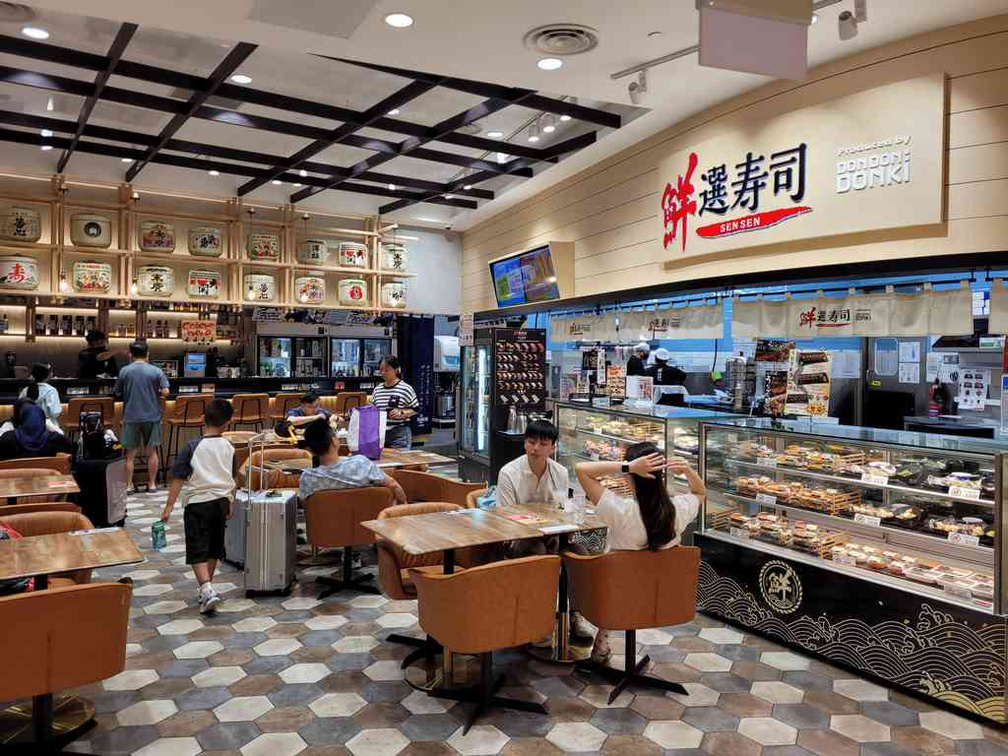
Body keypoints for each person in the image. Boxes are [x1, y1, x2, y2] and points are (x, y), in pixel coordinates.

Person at [575, 442, 704, 662]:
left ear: (629, 476)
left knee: (577, 556)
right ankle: (603, 640)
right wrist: (689, 471)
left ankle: (595, 632)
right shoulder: (678, 510)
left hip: (613, 595)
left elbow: (581, 469)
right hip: (660, 596)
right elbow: (700, 492)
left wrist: (626, 466)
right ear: (662, 476)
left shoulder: (620, 511)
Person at [159, 399, 235, 614]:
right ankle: (207, 588)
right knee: (214, 547)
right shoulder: (229, 447)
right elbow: (232, 478)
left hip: (198, 503)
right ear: (228, 423)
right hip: (221, 502)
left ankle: (206, 588)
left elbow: (178, 478)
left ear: (203, 419)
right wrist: (232, 502)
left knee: (197, 546)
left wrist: (168, 507)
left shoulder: (192, 446)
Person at [298, 419, 406, 504]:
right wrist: (403, 505)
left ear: (310, 449)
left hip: (326, 529)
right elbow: (393, 485)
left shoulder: (307, 478)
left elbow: (306, 505)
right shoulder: (361, 464)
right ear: (334, 441)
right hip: (366, 528)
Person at [114, 341, 170, 492]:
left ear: (130, 355)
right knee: (152, 452)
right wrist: (155, 391)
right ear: (147, 354)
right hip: (152, 416)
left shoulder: (125, 371)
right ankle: (152, 484)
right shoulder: (156, 371)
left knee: (130, 454)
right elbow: (166, 392)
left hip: (131, 416)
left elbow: (117, 392)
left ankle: (129, 485)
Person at [496, 419, 568, 510]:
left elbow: (561, 509)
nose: (536, 448)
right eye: (531, 442)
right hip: (515, 522)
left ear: (553, 449)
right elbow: (505, 513)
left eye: (543, 444)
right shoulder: (508, 473)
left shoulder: (561, 473)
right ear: (525, 444)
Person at [370, 355, 419, 450]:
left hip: (399, 434)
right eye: (381, 369)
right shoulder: (377, 389)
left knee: (400, 463)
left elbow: (416, 409)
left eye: (387, 370)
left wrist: (401, 413)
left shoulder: (405, 388)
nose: (383, 372)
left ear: (396, 370)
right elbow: (373, 408)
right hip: (380, 434)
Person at [0, 399, 75, 460]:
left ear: (21, 419)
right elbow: (75, 449)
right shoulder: (54, 438)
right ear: (42, 419)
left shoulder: (8, 438)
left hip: (12, 477)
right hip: (48, 477)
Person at [19, 363, 61, 429]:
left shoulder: (25, 390)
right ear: (48, 375)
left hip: (27, 426)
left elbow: (19, 409)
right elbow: (54, 412)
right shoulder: (51, 391)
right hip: (48, 428)